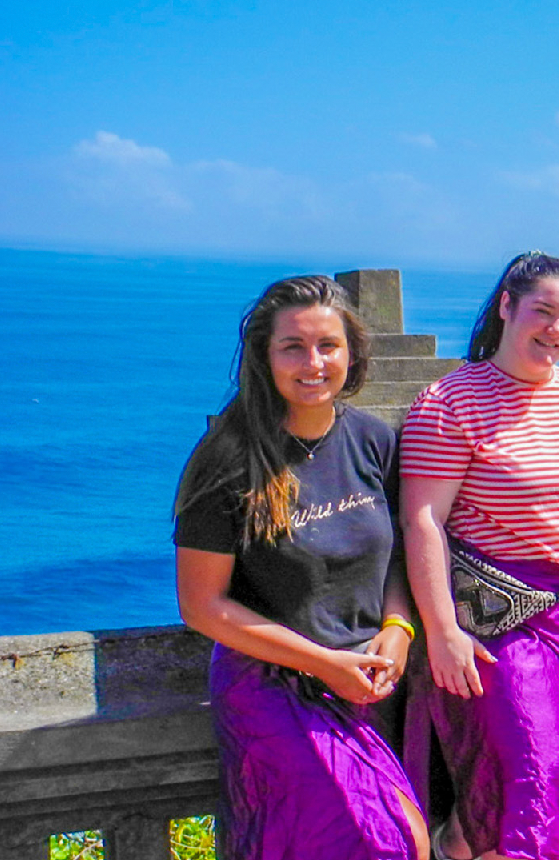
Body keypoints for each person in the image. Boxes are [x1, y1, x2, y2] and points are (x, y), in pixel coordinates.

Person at [173, 276, 429, 860]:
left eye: (328, 346)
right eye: (293, 347)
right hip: (271, 683)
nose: (312, 363)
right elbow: (201, 605)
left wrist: (397, 628)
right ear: (266, 357)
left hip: (363, 681)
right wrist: (324, 663)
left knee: (403, 837)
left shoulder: (373, 442)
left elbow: (397, 556)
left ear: (352, 354)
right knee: (378, 840)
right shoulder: (229, 459)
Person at [400, 252, 559, 860]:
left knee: (516, 785)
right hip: (503, 627)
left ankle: (456, 843)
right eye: (543, 313)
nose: (557, 332)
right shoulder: (450, 402)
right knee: (540, 782)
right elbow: (421, 520)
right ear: (507, 306)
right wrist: (441, 629)